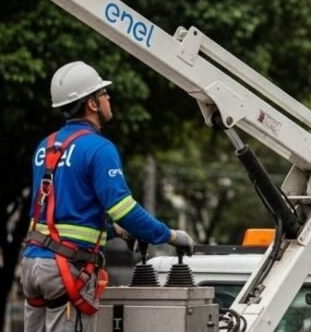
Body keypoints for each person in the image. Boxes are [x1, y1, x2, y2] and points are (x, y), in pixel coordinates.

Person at [21, 61, 195, 332]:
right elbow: (124, 209)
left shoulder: (46, 146)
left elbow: (66, 215)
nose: (108, 98)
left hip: (33, 264)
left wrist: (118, 232)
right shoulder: (99, 149)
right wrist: (169, 236)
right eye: (103, 94)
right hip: (65, 269)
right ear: (91, 104)